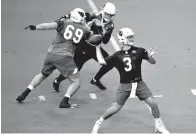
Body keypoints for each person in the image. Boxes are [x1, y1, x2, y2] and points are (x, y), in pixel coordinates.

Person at [91, 28, 170, 134]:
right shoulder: (117, 55)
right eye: (129, 37)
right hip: (125, 85)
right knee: (115, 108)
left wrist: (150, 57)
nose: (132, 38)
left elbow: (153, 62)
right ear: (122, 39)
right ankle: (98, 123)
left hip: (139, 84)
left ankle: (159, 126)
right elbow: (101, 62)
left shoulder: (140, 50)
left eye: (132, 36)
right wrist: (97, 47)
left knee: (153, 104)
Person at [16, 8, 95, 108]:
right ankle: (64, 101)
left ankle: (24, 94)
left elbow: (47, 26)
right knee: (76, 82)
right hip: (65, 57)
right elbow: (90, 36)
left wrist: (35, 27)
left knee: (43, 74)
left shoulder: (63, 23)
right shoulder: (85, 30)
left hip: (51, 54)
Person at [53, 2, 120, 91]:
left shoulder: (110, 25)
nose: (110, 17)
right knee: (75, 69)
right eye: (109, 15)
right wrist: (63, 18)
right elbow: (77, 15)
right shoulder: (94, 16)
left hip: (95, 48)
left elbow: (105, 41)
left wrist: (104, 33)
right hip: (83, 47)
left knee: (110, 63)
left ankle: (95, 80)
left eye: (112, 15)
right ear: (104, 12)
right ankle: (57, 81)